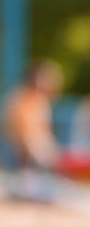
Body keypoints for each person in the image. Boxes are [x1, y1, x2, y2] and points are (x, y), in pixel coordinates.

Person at [1, 59, 63, 201]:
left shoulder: (40, 101)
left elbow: (42, 132)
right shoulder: (21, 98)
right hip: (20, 152)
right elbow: (22, 131)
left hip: (33, 152)